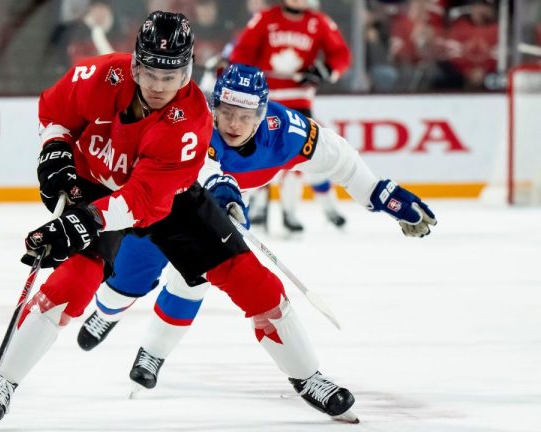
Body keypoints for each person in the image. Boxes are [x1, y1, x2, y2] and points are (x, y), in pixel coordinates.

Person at [0, 12, 359, 430]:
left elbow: (141, 201)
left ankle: (308, 376)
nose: (158, 85)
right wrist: (55, 152)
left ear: (186, 72)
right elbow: (55, 110)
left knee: (252, 280)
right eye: (150, 72)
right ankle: (0, 382)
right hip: (96, 184)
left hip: (167, 198)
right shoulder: (97, 75)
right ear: (134, 64)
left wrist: (81, 223)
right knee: (73, 283)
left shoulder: (191, 123)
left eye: (170, 76)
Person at [77, 64, 437, 397]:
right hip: (165, 200)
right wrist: (223, 192)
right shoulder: (191, 121)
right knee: (129, 279)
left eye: (245, 116)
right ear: (215, 108)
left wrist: (380, 195)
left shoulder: (288, 133)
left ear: (261, 116)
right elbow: (205, 168)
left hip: (216, 204)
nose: (233, 124)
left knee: (195, 277)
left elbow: (340, 158)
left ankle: (151, 354)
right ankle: (107, 312)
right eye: (227, 113)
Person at [229, 0, 352, 233]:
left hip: (299, 99)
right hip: (266, 100)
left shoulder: (319, 23)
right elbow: (242, 52)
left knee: (300, 154)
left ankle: (290, 211)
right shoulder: (265, 19)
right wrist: (244, 76)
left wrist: (326, 69)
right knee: (258, 151)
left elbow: (341, 54)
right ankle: (257, 206)